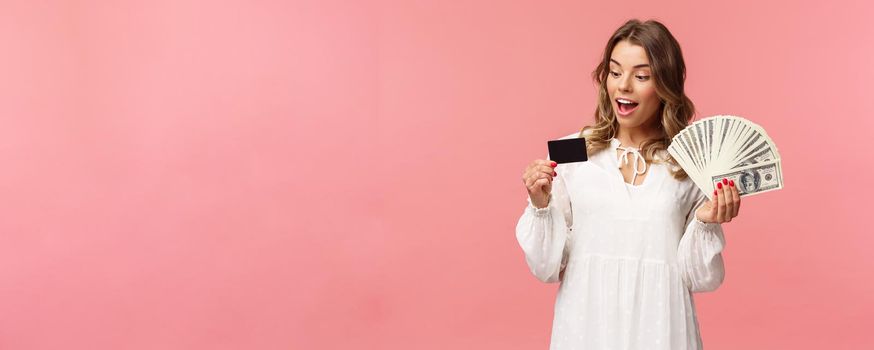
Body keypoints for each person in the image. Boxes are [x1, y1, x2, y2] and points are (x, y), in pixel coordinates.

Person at [516, 19, 741, 350]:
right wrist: (540, 205)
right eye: (615, 71)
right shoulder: (572, 149)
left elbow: (702, 279)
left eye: (641, 76)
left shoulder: (688, 164)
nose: (624, 86)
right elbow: (547, 268)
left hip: (662, 329)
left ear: (665, 84)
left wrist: (706, 224)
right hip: (586, 326)